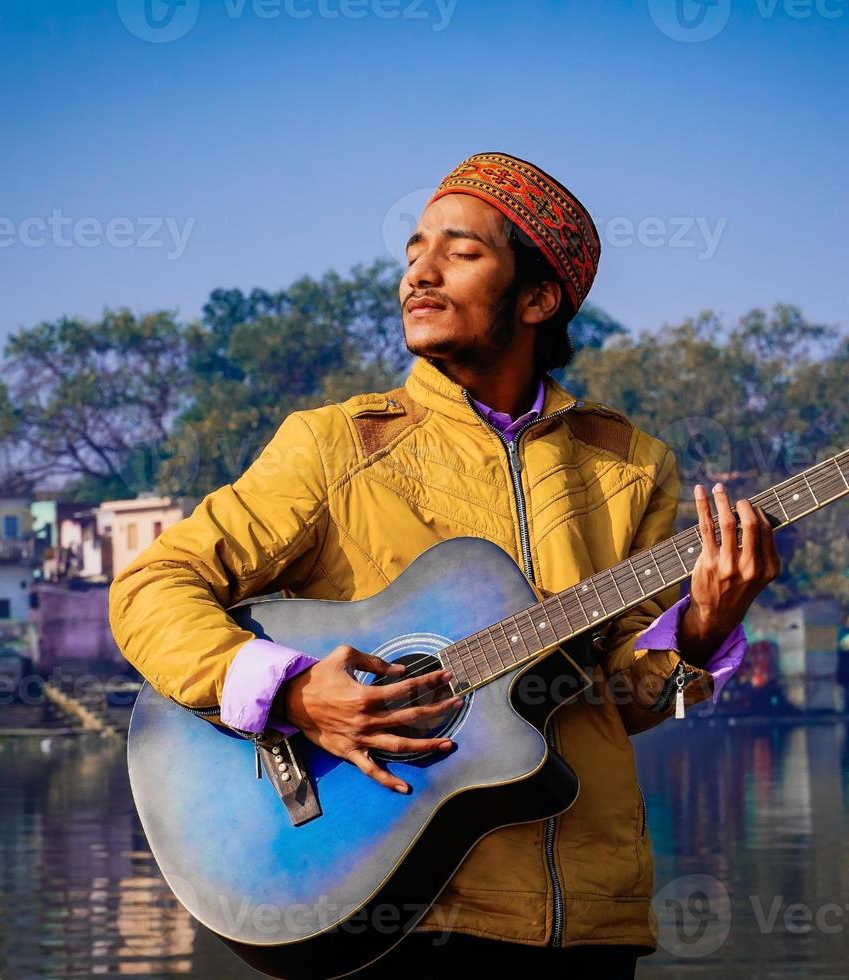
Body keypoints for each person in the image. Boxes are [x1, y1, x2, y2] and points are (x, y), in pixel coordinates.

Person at [108, 151, 780, 975]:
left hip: (591, 923)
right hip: (402, 906)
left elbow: (622, 702)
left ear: (538, 298)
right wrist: (289, 690)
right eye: (414, 251)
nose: (418, 275)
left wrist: (707, 630)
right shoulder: (336, 446)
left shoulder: (630, 463)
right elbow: (150, 585)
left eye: (460, 253)